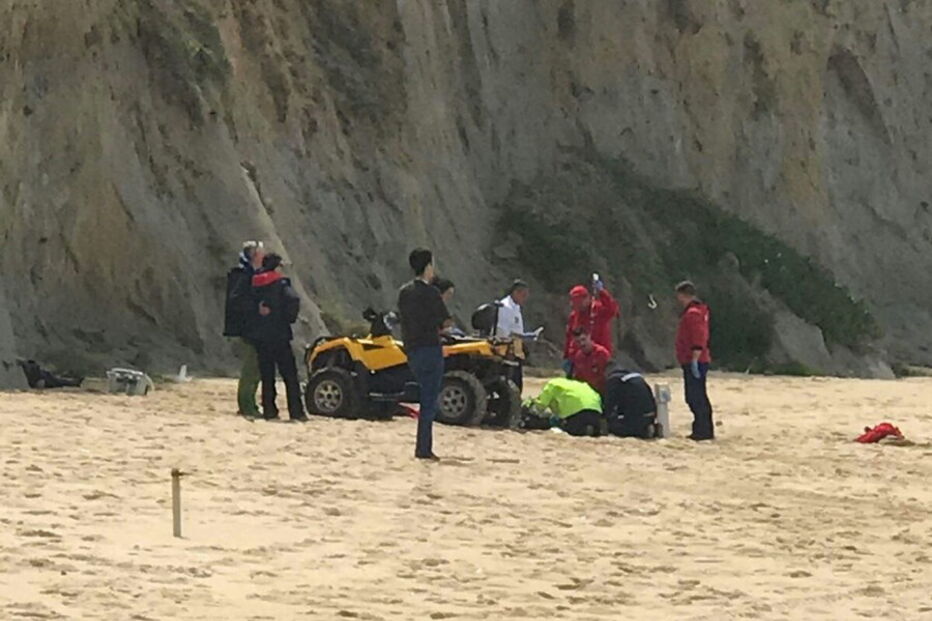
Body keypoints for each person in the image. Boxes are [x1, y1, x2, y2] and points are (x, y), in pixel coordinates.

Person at [398, 248, 452, 460]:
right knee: (428, 401)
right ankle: (423, 448)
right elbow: (446, 322)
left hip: (411, 349)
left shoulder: (405, 292)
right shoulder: (432, 293)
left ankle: (423, 446)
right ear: (428, 266)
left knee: (422, 393)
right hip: (430, 347)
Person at [249, 253, 306, 422]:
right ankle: (296, 412)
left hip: (260, 335)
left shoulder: (254, 283)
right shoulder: (280, 283)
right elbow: (293, 299)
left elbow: (247, 305)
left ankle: (270, 410)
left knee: (267, 375)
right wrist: (287, 317)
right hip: (279, 334)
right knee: (289, 375)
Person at [223, 241, 265, 418]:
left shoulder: (252, 274)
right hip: (248, 329)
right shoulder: (243, 275)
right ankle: (246, 405)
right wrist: (257, 308)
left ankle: (250, 404)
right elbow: (237, 300)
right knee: (251, 369)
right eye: (260, 254)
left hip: (255, 328)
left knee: (256, 369)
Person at [675, 281, 714, 441]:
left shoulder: (693, 313)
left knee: (695, 396)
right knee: (697, 395)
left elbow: (699, 336)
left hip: (695, 360)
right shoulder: (699, 311)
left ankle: (703, 430)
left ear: (684, 295)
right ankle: (702, 428)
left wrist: (695, 359)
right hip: (695, 359)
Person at [563, 275, 620, 375]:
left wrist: (602, 292)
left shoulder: (598, 310)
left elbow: (612, 309)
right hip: (578, 359)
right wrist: (567, 356)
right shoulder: (574, 316)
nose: (578, 306)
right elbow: (569, 337)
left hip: (599, 358)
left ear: (588, 298)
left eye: (580, 303)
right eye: (575, 304)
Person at [495, 279, 543, 391]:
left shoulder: (516, 307)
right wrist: (525, 336)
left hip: (517, 347)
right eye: (523, 295)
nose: (525, 299)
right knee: (510, 383)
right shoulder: (505, 307)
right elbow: (503, 331)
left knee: (517, 381)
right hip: (507, 349)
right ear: (515, 292)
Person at [523, 377, 603, 437]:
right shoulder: (582, 385)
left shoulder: (552, 385)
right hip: (596, 413)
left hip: (576, 414)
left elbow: (540, 406)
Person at [603, 368, 657, 438]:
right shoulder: (637, 377)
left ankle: (641, 431)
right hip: (650, 415)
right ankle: (647, 427)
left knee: (614, 427)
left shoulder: (614, 380)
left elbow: (609, 404)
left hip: (635, 418)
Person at [570, 329, 611, 393]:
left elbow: (608, 375)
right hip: (587, 393)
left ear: (589, 337)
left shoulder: (601, 353)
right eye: (578, 342)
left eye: (583, 339)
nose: (582, 343)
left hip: (604, 391)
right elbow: (578, 378)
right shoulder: (578, 357)